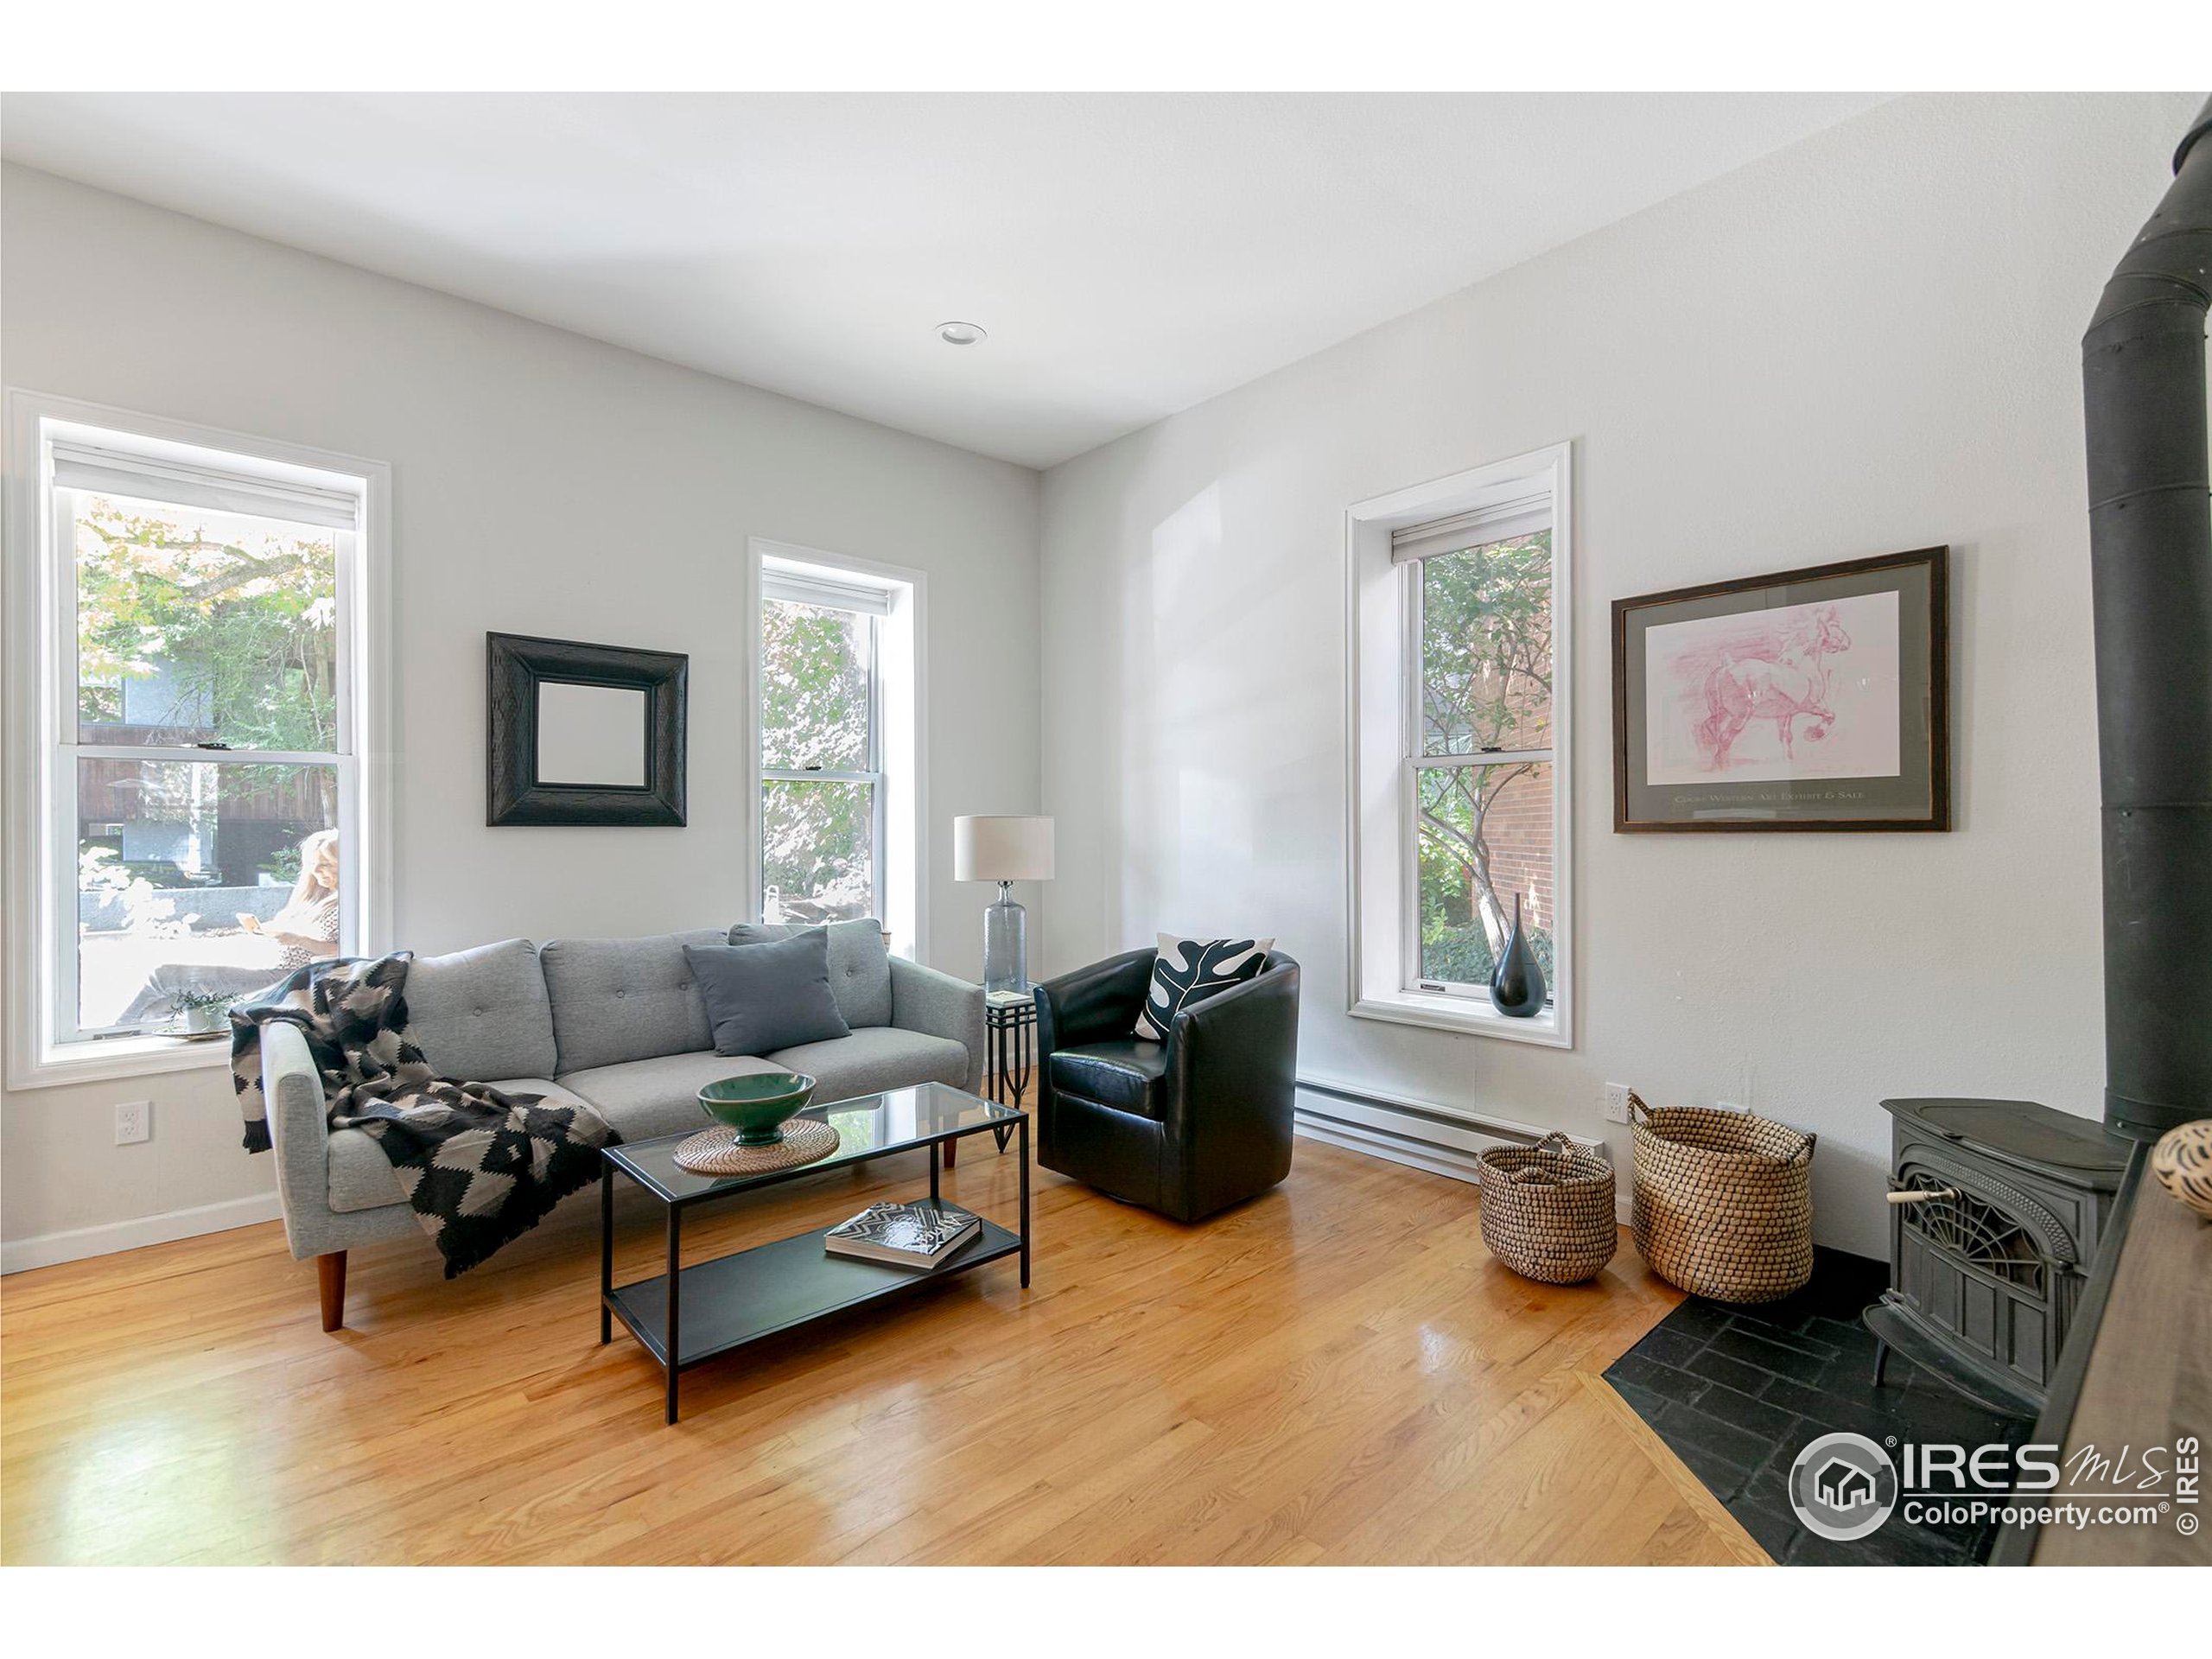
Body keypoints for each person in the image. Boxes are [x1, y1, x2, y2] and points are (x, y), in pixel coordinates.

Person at [239, 829, 341, 971]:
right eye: (312, 863)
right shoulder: (312, 895)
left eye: (326, 864)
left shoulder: (349, 905)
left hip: (300, 978)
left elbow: (345, 951)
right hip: (275, 969)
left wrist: (299, 940)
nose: (316, 870)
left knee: (202, 974)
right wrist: (261, 930)